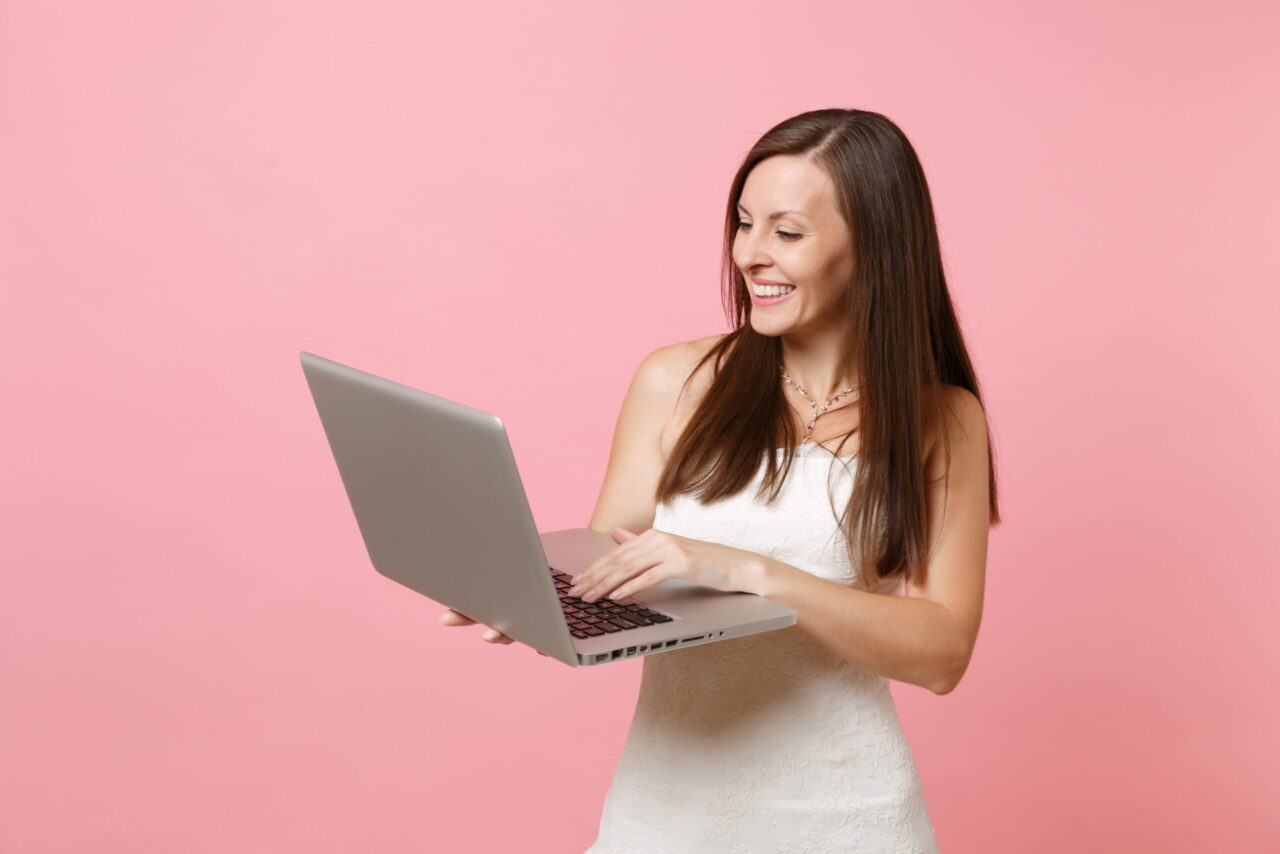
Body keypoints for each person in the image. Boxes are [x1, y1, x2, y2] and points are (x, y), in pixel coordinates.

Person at [441, 107, 999, 853]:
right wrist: (530, 598)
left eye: (786, 232)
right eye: (743, 224)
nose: (750, 254)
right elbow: (608, 565)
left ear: (872, 245)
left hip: (845, 817)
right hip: (666, 810)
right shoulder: (675, 380)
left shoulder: (942, 419)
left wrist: (750, 572)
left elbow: (940, 653)